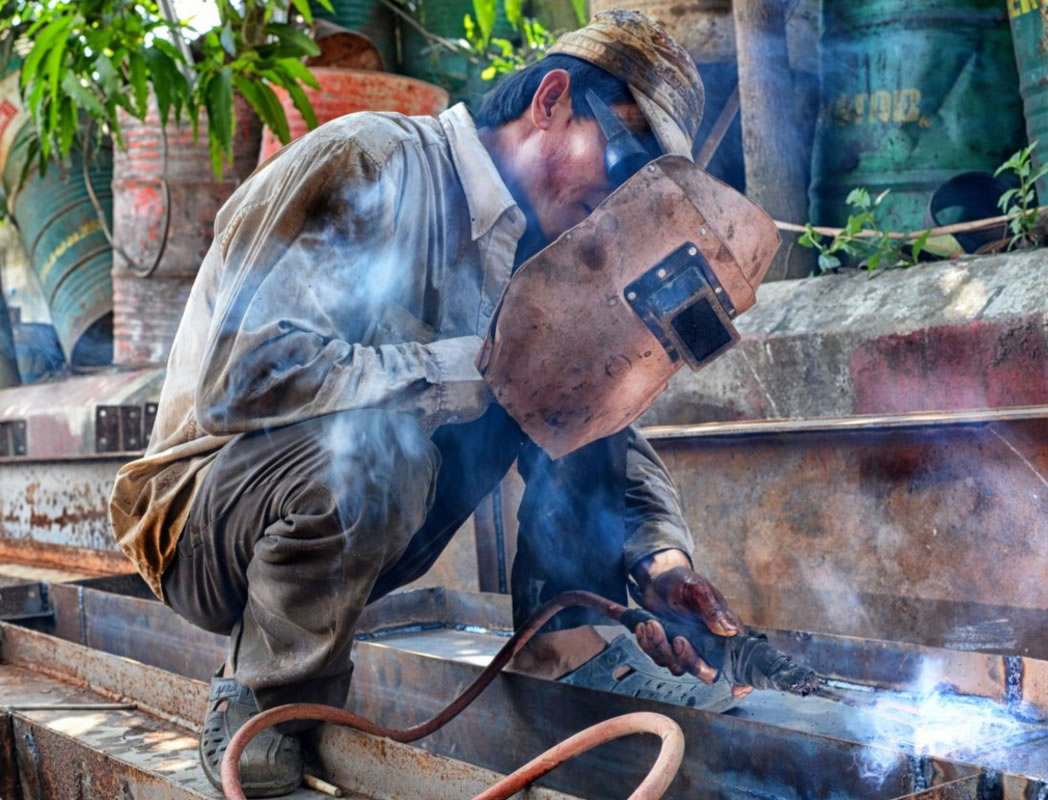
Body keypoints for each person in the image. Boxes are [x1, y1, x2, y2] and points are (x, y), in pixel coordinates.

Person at [109, 10, 752, 797]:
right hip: (210, 513)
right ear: (550, 100)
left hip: (349, 517)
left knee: (579, 368)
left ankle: (569, 647)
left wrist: (659, 559)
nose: (621, 202)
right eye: (622, 162)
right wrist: (474, 368)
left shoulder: (544, 255)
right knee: (387, 448)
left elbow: (596, 422)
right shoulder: (370, 160)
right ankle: (266, 699)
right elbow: (241, 375)